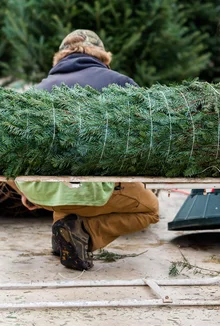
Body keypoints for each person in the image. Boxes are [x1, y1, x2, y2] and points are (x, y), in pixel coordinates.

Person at [12, 30, 159, 271]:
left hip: (42, 191)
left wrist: (26, 187)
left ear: (60, 58)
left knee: (64, 188)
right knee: (150, 209)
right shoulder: (120, 84)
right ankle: (86, 235)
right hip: (95, 188)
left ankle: (63, 239)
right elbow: (145, 140)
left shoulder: (35, 92)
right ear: (103, 58)